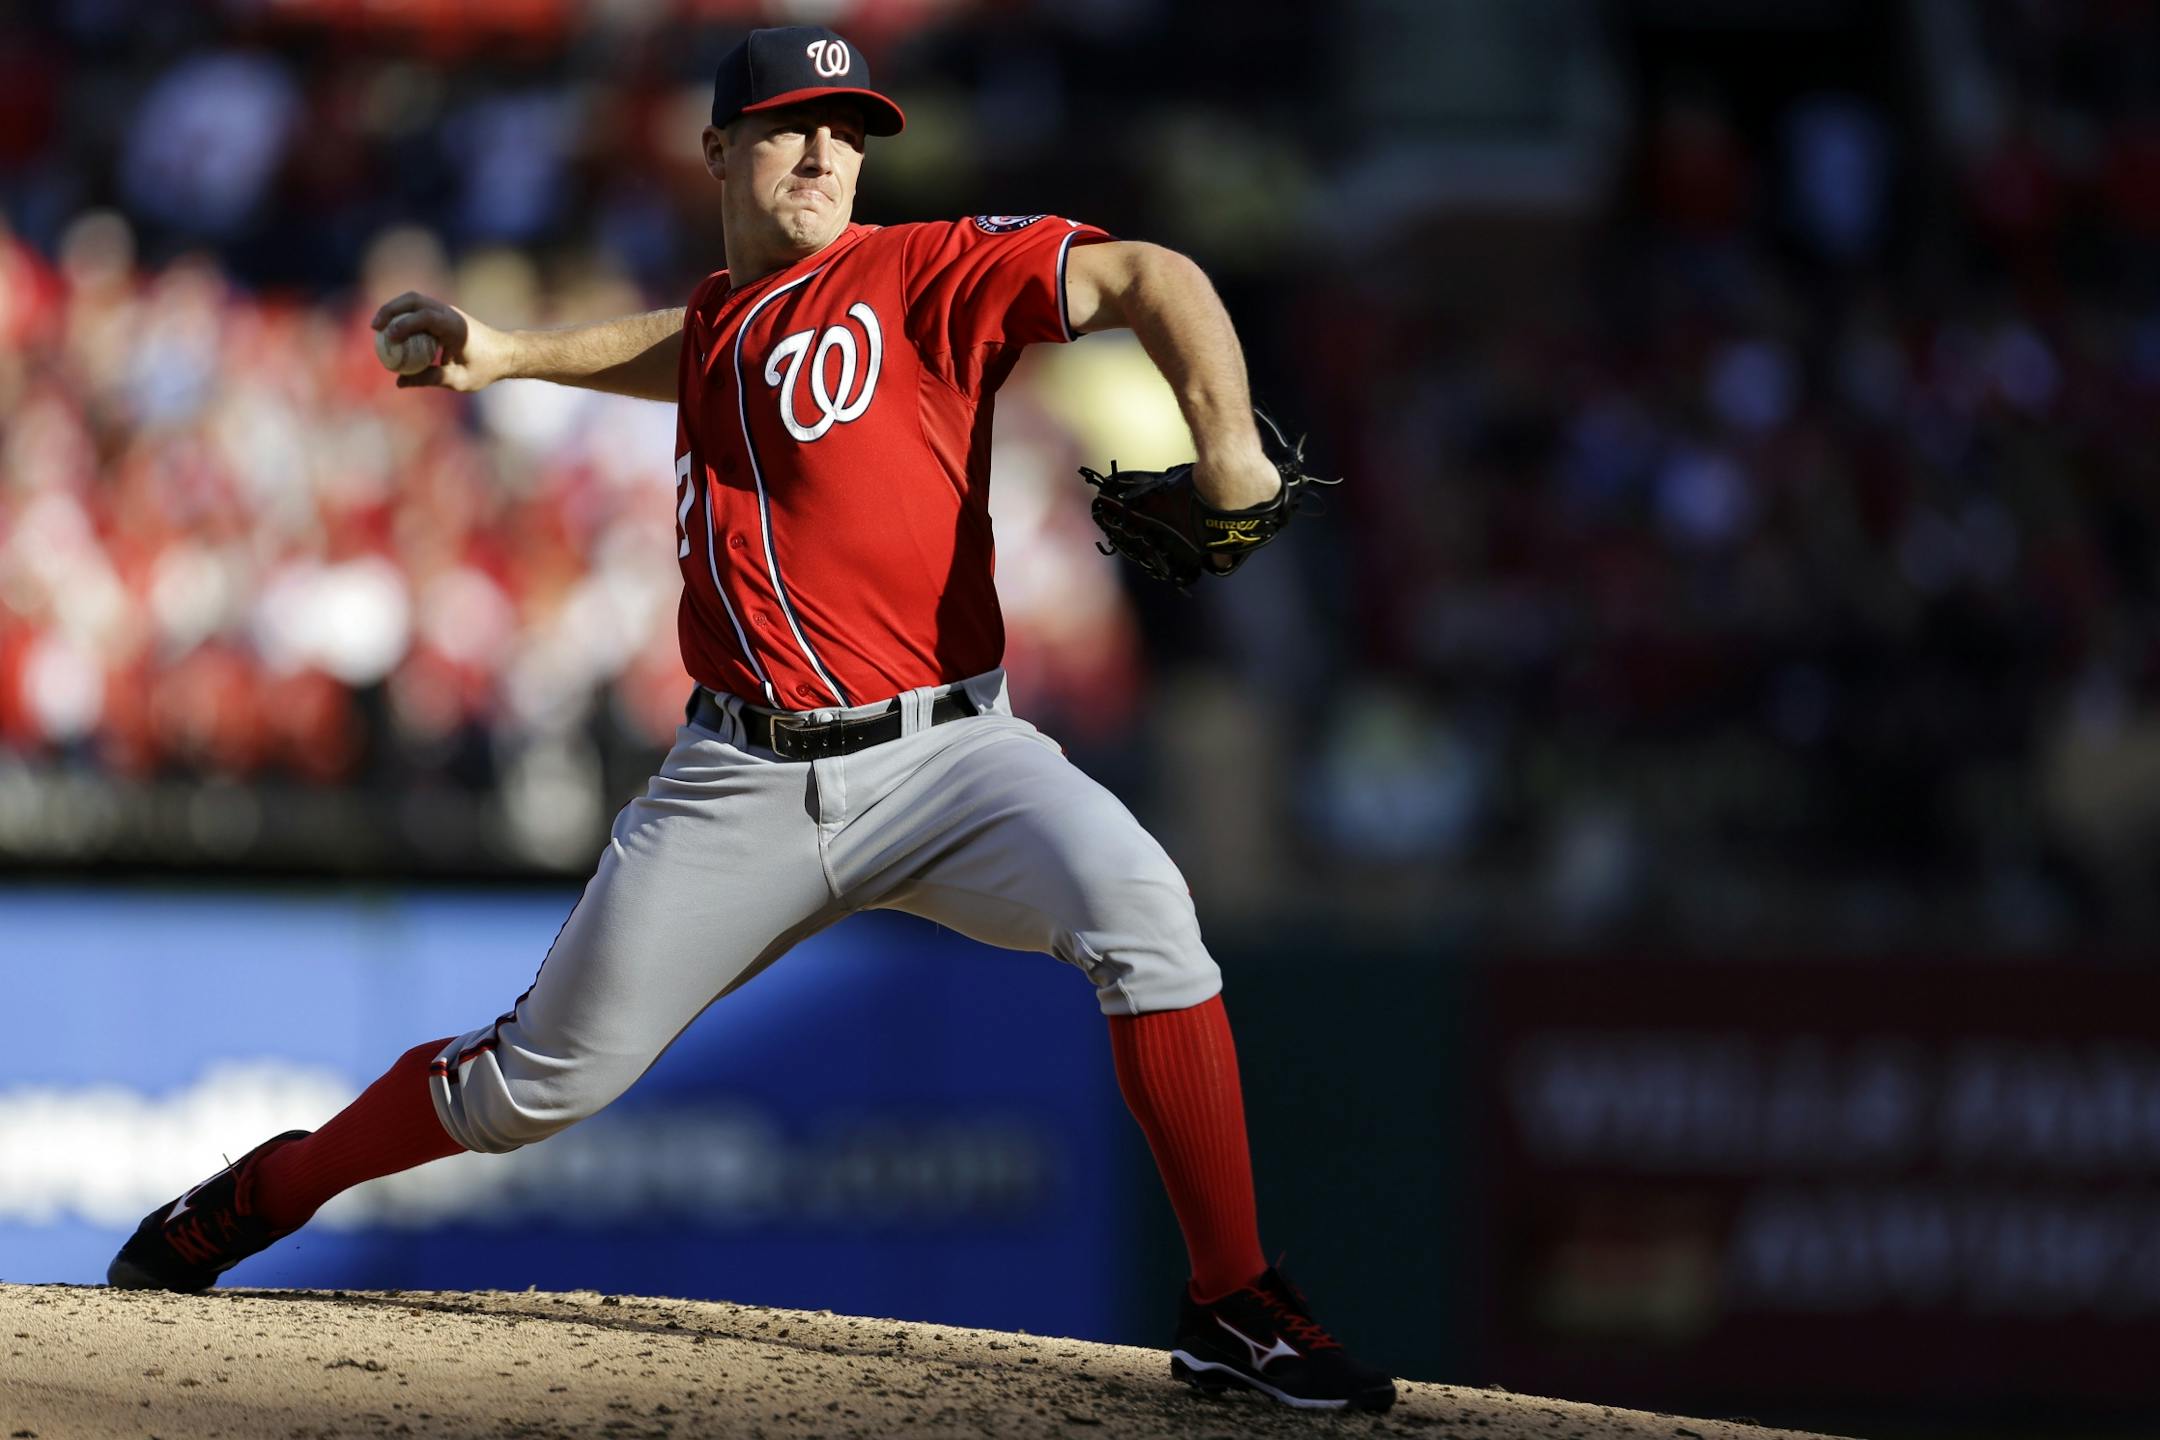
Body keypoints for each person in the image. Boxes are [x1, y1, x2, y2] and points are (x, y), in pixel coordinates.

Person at [106, 24, 1395, 1414]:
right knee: (525, 1092)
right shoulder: (731, 315)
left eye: (849, 130)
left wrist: (1229, 444)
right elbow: (699, 343)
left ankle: (1233, 1300)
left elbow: (1156, 274)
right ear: (718, 149)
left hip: (955, 755)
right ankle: (262, 1193)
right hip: (738, 783)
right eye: (792, 125)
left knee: (1142, 909)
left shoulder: (924, 270)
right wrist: (518, 354)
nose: (827, 153)